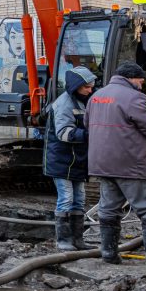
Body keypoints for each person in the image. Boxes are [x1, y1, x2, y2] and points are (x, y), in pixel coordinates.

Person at [86, 61, 146, 268]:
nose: (141, 85)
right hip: (131, 164)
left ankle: (109, 252)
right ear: (132, 78)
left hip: (103, 163)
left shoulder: (96, 96)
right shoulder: (133, 97)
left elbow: (88, 124)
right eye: (140, 81)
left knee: (109, 208)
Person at [44, 66, 96, 251]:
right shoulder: (65, 104)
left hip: (77, 160)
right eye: (87, 87)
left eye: (91, 86)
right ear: (76, 87)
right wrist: (89, 134)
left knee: (79, 199)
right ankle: (64, 240)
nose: (90, 90)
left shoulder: (83, 100)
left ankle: (77, 239)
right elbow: (64, 133)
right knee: (66, 198)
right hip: (62, 160)